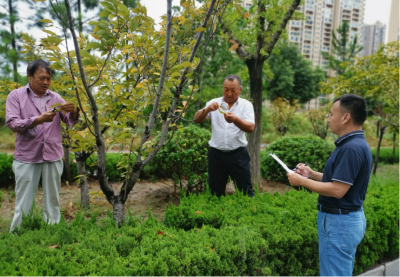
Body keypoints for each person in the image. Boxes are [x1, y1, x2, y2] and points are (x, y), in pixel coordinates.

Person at [287, 94, 372, 276]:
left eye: (331, 114)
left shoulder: (351, 148)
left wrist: (302, 181)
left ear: (345, 117)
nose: (328, 119)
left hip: (339, 224)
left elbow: (338, 190)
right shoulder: (355, 144)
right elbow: (340, 180)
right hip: (345, 221)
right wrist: (311, 174)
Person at [6, 60, 80, 232]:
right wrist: (37, 120)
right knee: (24, 197)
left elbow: (69, 121)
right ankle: (20, 231)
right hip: (27, 156)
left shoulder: (55, 98)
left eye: (49, 78)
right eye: (41, 78)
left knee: (53, 198)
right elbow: (12, 122)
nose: (46, 82)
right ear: (30, 76)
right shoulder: (16, 96)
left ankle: (52, 229)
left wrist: (74, 111)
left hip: (52, 154)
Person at [193, 74, 255, 197]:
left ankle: (247, 213)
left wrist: (236, 120)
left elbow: (250, 128)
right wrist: (207, 110)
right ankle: (217, 214)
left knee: (245, 191)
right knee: (215, 192)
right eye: (226, 89)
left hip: (238, 155)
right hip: (216, 154)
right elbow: (196, 119)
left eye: (233, 90)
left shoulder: (246, 105)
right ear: (222, 89)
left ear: (240, 90)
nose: (229, 93)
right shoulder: (214, 103)